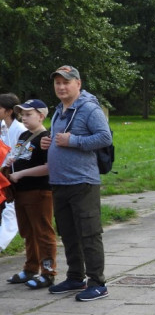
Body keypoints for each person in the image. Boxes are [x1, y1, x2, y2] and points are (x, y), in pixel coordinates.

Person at [41, 65, 113, 301]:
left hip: (82, 182)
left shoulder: (89, 108)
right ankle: (75, 277)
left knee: (89, 233)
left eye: (66, 82)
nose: (61, 87)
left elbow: (105, 137)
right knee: (68, 233)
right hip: (60, 181)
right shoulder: (59, 110)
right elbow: (59, 140)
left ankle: (98, 283)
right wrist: (48, 142)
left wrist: (73, 141)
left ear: (78, 84)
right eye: (58, 83)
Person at [5, 99, 57, 289]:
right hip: (21, 191)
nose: (23, 118)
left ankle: (48, 272)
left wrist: (21, 173)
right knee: (28, 231)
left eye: (28, 114)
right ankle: (30, 268)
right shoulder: (24, 135)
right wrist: (10, 164)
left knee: (42, 232)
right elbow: (20, 156)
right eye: (22, 114)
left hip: (39, 191)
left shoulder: (46, 138)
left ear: (41, 116)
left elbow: (48, 167)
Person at [0, 93, 25, 252]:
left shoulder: (20, 130)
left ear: (8, 111)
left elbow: (23, 153)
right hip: (4, 175)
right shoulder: (3, 128)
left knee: (11, 212)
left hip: (15, 176)